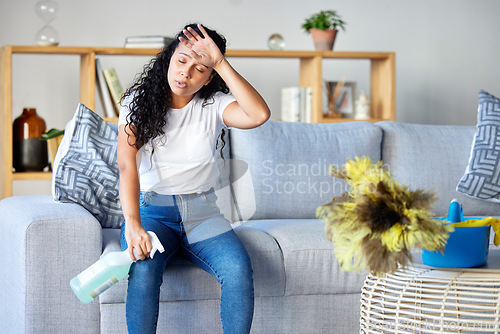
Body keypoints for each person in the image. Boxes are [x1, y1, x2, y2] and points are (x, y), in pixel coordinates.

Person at [117, 23, 270, 334]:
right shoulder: (137, 101)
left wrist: (221, 62)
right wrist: (133, 224)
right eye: (181, 60)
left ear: (209, 76)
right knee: (144, 271)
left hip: (202, 213)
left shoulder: (214, 105)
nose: (185, 74)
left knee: (238, 269)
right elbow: (126, 165)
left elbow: (258, 115)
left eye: (200, 68)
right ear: (169, 58)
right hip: (152, 212)